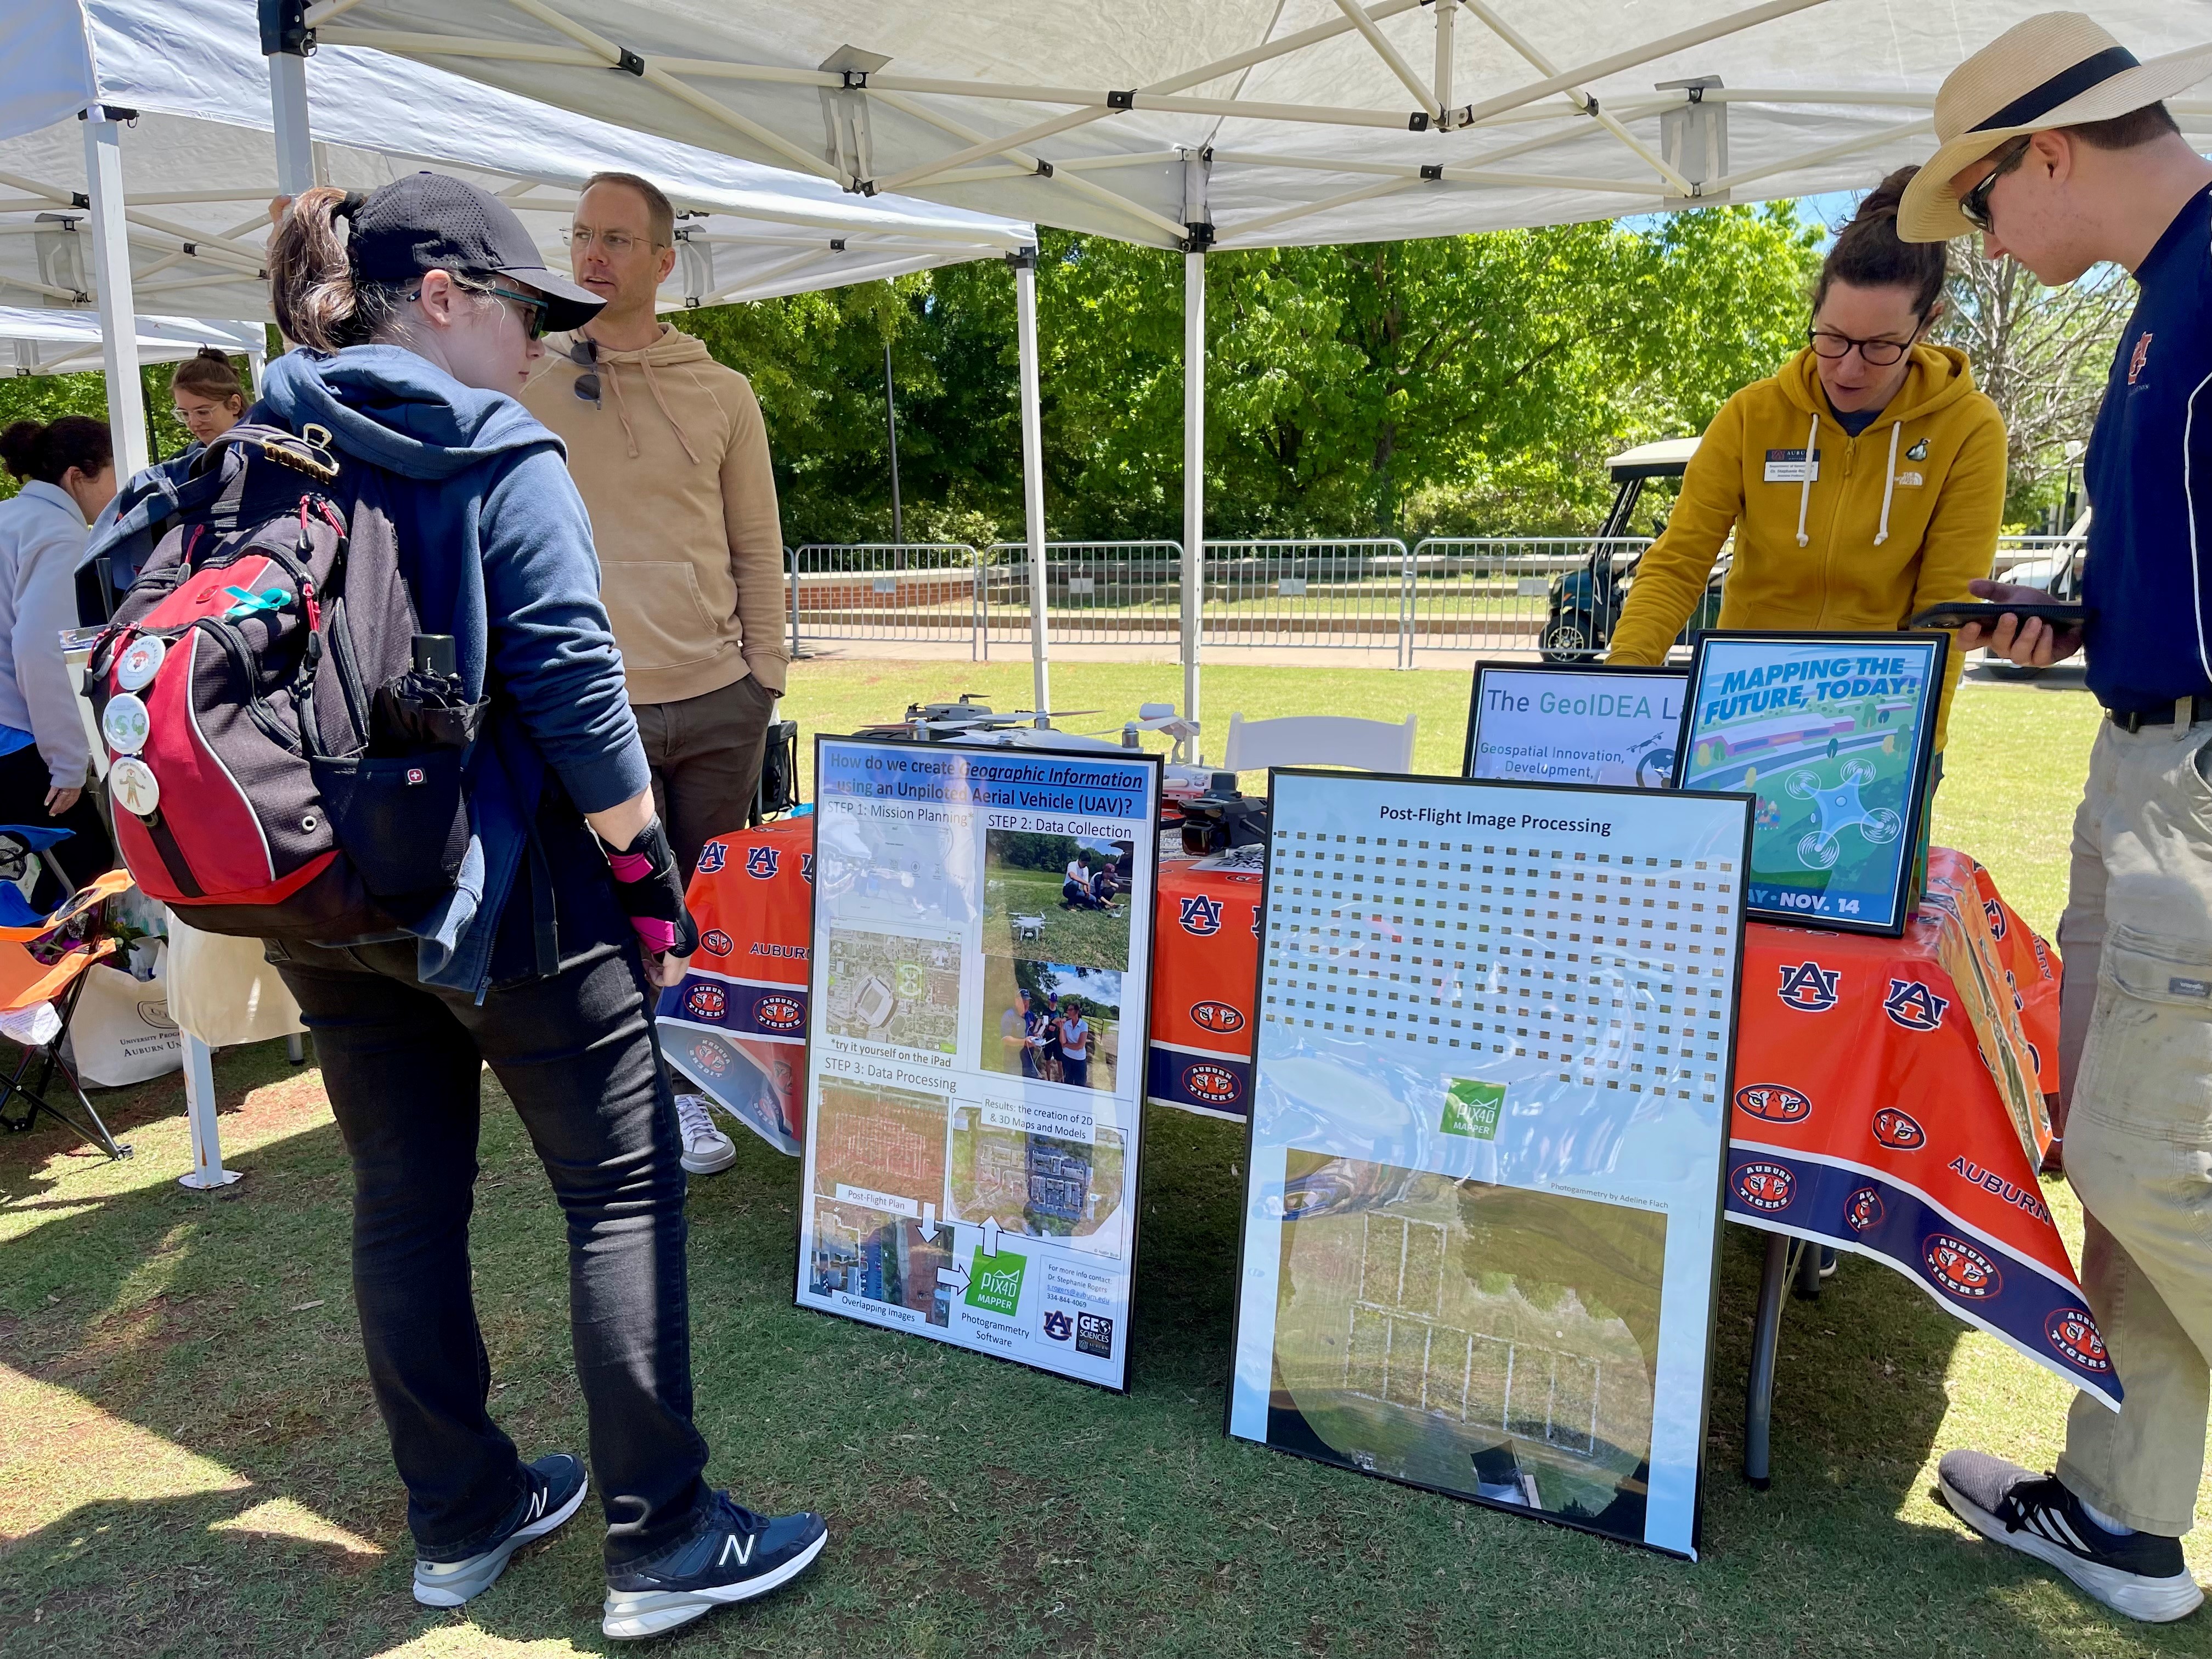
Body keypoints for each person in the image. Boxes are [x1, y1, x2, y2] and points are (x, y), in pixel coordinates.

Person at [255, 174, 824, 1641]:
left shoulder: (270, 437)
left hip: (322, 894)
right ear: (443, 300)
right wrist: (649, 886)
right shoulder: (490, 444)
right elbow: (577, 694)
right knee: (620, 1193)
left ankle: (462, 1521)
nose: (536, 345)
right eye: (521, 312)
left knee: (403, 1200)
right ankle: (666, 1537)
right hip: (504, 882)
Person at [1891, 13, 2212, 1624]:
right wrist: (2083, 614)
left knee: (2167, 1165)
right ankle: (2123, 1518)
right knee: (2127, 1161)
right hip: (2139, 758)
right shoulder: (2171, 301)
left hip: (2202, 798)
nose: (1992, 245)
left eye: (1987, 202)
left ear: (2053, 154)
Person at [1605, 166, 2007, 771]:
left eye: (1880, 348)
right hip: (1740, 717)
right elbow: (1678, 562)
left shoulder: (1968, 428)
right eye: (1833, 338)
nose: (1848, 369)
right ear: (1816, 309)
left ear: (1928, 324)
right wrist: (1623, 685)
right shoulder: (1752, 415)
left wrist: (1921, 746)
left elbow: (1946, 612)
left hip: (1879, 725)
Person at [521, 172, 787, 882]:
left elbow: (757, 547)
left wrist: (765, 679)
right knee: (617, 932)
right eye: (581, 236)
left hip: (720, 708)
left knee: (712, 928)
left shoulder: (723, 393)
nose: (592, 256)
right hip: (589, 706)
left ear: (664, 263)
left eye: (616, 239)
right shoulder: (524, 383)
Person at [0, 417, 115, 902]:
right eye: (114, 472)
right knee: (83, 876)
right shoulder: (60, 533)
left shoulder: (10, 516)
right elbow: (43, 650)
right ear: (77, 476)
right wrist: (68, 763)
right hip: (16, 739)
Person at [168, 347, 248, 449]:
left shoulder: (264, 453)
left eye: (203, 412)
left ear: (234, 405)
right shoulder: (187, 458)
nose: (194, 423)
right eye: (185, 413)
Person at [1000, 986, 1040, 1078]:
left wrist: (1037, 1036)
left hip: (1029, 1061)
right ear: (1016, 1001)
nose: (1026, 1004)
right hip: (1013, 1061)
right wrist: (1024, 1042)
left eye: (1028, 1002)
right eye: (1024, 1001)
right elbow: (1005, 1039)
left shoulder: (1031, 1015)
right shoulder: (1009, 1016)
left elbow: (1033, 1032)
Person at [1056, 1002, 1092, 1090]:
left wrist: (1066, 1045)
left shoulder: (1084, 1025)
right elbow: (1063, 1041)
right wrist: (1061, 1027)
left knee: (1080, 1084)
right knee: (1068, 1082)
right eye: (1068, 1010)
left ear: (1077, 1011)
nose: (1068, 1012)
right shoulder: (1067, 1024)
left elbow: (1080, 1045)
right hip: (1067, 1057)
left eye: (1070, 1010)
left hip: (1079, 1060)